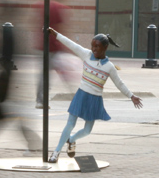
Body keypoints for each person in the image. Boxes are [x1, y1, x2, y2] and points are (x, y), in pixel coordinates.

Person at [46, 27, 143, 163]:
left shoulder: (109, 66)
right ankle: (56, 152)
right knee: (70, 124)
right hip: (81, 95)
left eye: (97, 46)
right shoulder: (86, 54)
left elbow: (119, 83)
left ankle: (72, 139)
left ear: (105, 47)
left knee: (87, 130)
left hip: (94, 99)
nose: (94, 49)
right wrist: (56, 34)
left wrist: (131, 96)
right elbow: (71, 44)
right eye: (92, 46)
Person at [33, 0, 73, 109]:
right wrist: (68, 46)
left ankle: (41, 100)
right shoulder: (58, 7)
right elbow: (61, 29)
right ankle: (77, 97)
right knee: (65, 73)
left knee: (44, 74)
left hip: (42, 46)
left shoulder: (39, 5)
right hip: (54, 47)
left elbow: (33, 23)